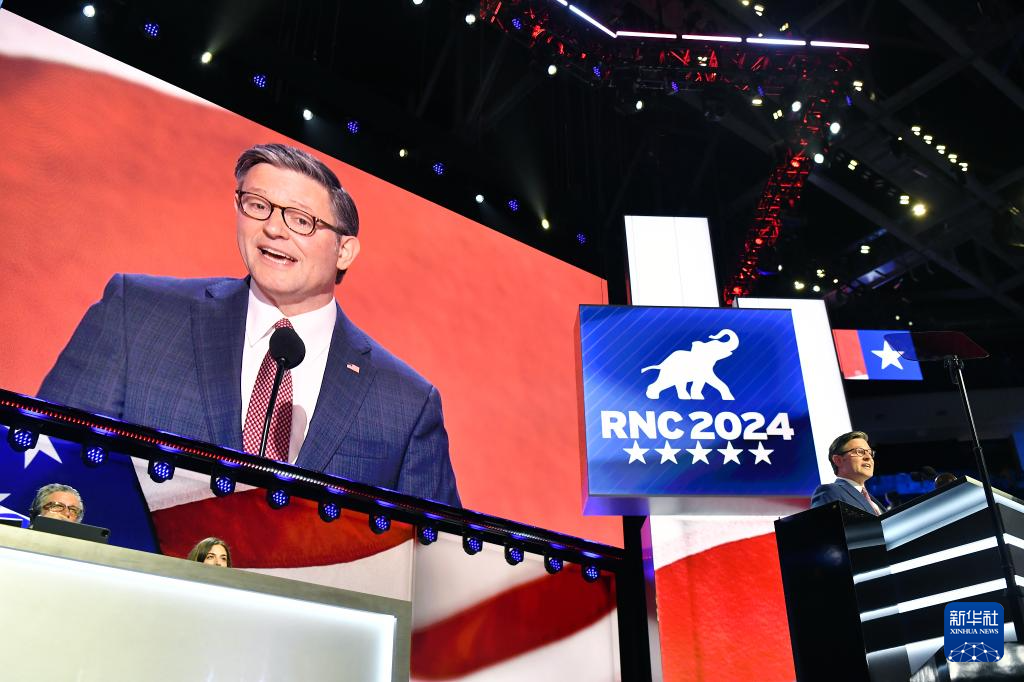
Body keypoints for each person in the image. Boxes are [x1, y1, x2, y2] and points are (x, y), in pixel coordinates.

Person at [38, 143, 460, 507]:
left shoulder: (405, 403)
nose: (272, 228)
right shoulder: (138, 315)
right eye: (257, 205)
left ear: (344, 251)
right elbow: (45, 466)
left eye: (301, 220)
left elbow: (433, 557)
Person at [810, 431, 883, 515]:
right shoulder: (830, 492)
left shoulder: (874, 501)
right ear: (838, 460)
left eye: (870, 453)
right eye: (859, 451)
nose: (868, 457)